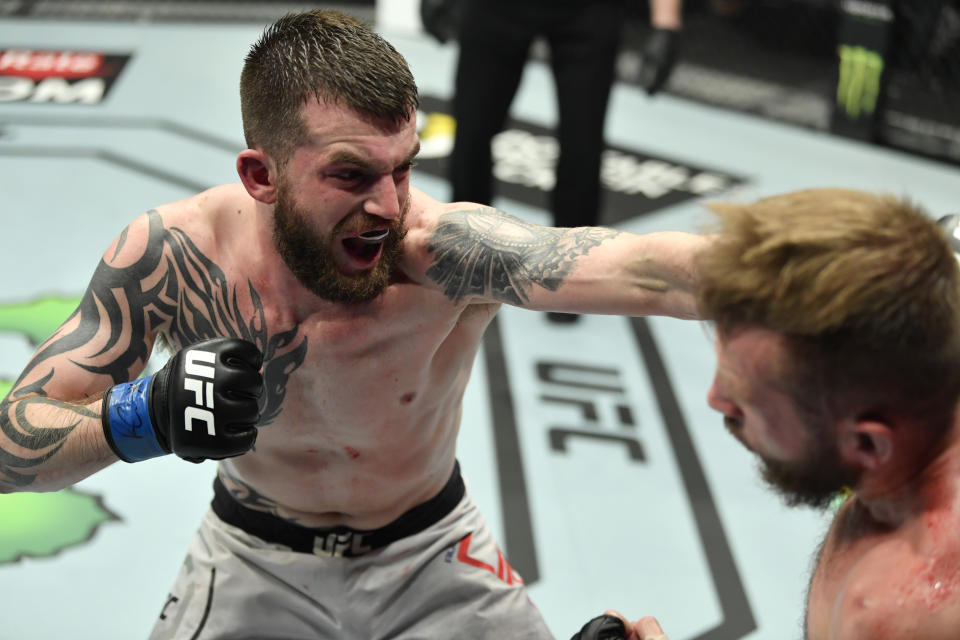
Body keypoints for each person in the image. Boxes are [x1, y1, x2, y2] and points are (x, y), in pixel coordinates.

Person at [0, 10, 706, 639]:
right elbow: (10, 445)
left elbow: (655, 271)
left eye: (402, 169)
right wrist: (144, 416)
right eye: (351, 175)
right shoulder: (175, 258)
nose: (389, 206)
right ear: (260, 176)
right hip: (252, 558)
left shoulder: (444, 253)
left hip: (435, 553)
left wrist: (804, 265)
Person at [683, 189, 960, 638]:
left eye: (746, 399)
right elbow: (644, 271)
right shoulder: (928, 340)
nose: (715, 400)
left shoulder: (897, 611)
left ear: (868, 443)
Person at [422, 0, 683, 323]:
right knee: (473, 126)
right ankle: (468, 253)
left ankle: (574, 276)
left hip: (588, 10)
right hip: (497, 9)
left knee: (583, 140)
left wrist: (665, 22)